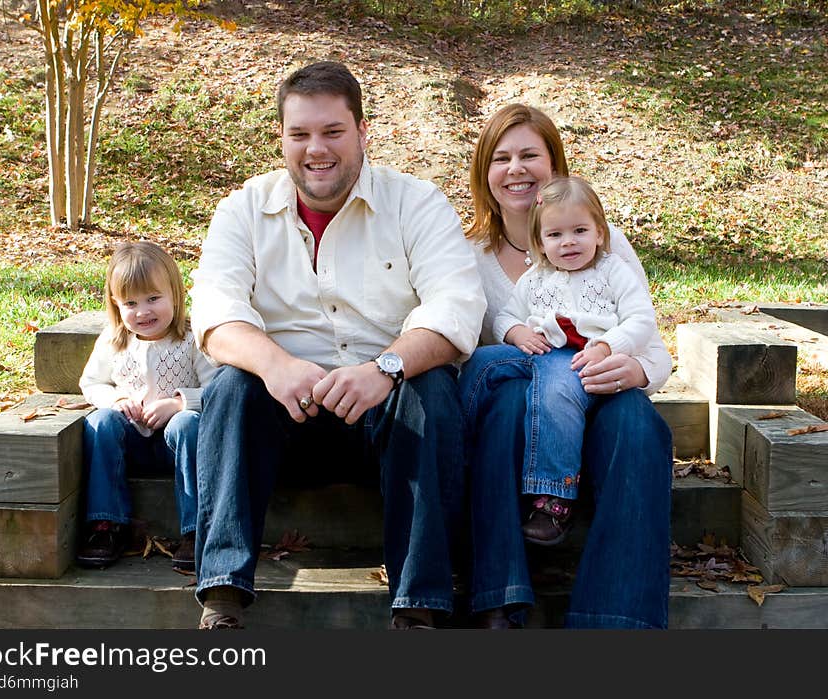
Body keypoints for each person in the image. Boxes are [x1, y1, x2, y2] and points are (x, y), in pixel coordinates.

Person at [188, 61, 485, 630]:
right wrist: (275, 366)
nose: (315, 149)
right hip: (284, 417)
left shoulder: (415, 203)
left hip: (388, 418)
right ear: (281, 138)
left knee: (432, 389)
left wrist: (385, 368)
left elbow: (455, 308)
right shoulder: (244, 209)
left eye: (332, 132)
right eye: (299, 134)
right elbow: (215, 312)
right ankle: (222, 596)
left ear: (362, 132)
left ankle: (418, 609)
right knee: (230, 385)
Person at [459, 104, 673, 629]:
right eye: (502, 158)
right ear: (484, 173)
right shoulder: (470, 256)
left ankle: (615, 622)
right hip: (514, 418)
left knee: (639, 424)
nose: (516, 169)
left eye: (530, 155)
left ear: (556, 166)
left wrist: (636, 373)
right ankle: (501, 597)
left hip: (595, 393)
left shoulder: (600, 240)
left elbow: (654, 347)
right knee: (509, 401)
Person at [492, 175, 659, 546]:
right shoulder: (535, 279)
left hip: (593, 359)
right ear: (539, 243)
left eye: (580, 230)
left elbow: (642, 320)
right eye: (554, 235)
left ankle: (555, 496)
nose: (568, 242)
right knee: (493, 370)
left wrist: (608, 346)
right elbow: (504, 317)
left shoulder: (613, 271)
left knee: (555, 392)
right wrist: (517, 333)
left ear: (600, 233)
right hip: (543, 353)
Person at [77, 241, 216, 572]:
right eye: (131, 303)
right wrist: (117, 400)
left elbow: (219, 387)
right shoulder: (114, 339)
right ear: (116, 304)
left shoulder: (191, 338)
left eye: (153, 299)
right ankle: (106, 525)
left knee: (187, 424)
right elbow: (91, 383)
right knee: (100, 422)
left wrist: (180, 403)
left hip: (179, 446)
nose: (143, 312)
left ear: (176, 293)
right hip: (132, 442)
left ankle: (196, 530)